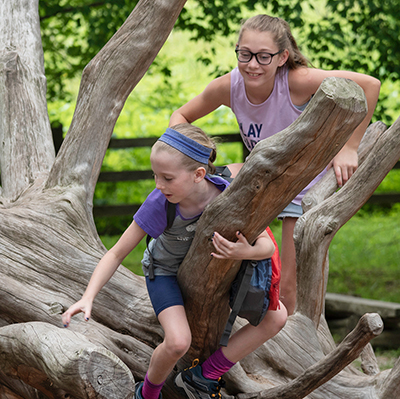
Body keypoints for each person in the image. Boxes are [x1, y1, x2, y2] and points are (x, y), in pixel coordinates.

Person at [169, 14, 381, 315]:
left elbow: (369, 85)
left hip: (301, 182)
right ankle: (176, 269)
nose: (252, 64)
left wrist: (349, 146)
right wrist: (192, 156)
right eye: (245, 54)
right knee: (205, 185)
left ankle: (284, 335)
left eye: (263, 56)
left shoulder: (298, 80)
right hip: (261, 174)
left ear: (282, 57)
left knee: (288, 287)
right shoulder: (229, 86)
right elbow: (180, 117)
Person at [61, 123, 287, 399]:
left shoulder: (230, 195)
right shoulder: (161, 203)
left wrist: (244, 252)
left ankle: (203, 376)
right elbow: (117, 252)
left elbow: (266, 246)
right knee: (179, 342)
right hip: (165, 273)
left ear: (199, 174)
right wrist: (88, 296)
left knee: (277, 318)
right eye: (155, 175)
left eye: (167, 178)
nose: (158, 185)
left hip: (218, 274)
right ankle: (147, 393)